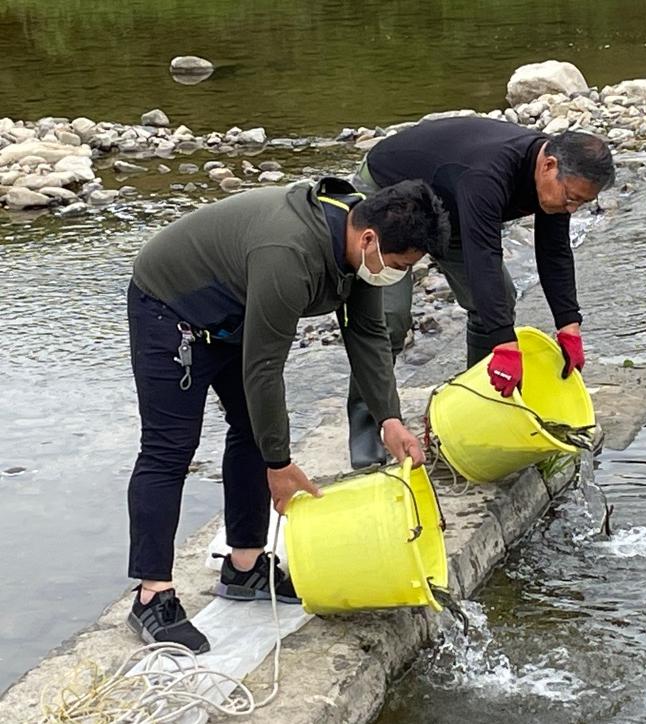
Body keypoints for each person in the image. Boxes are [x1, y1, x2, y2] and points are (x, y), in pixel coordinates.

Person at [125, 177, 450, 653]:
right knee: (169, 448)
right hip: (170, 307)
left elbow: (366, 333)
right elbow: (263, 368)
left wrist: (389, 418)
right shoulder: (289, 254)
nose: (397, 274)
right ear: (370, 240)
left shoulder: (356, 245)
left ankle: (244, 564)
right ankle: (152, 595)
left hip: (233, 312)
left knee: (254, 428)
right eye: (399, 265)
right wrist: (278, 464)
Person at [345, 117, 615, 468]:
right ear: (549, 166)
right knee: (390, 317)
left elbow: (555, 251)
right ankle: (368, 423)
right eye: (571, 199)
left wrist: (569, 325)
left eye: (580, 203)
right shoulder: (489, 174)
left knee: (498, 299)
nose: (571, 208)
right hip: (390, 197)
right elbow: (483, 254)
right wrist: (505, 343)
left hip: (454, 208)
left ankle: (477, 402)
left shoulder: (555, 183)